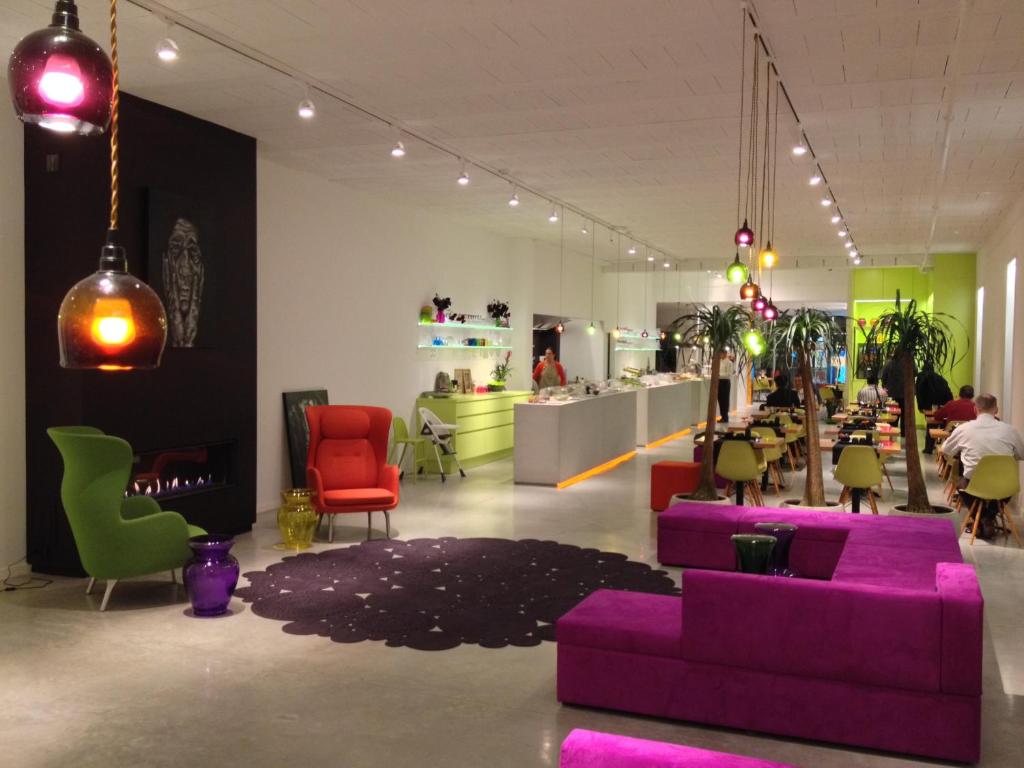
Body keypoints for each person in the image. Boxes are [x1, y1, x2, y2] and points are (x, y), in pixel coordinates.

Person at [941, 394, 1024, 539]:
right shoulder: (1010, 430)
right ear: (996, 410)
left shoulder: (963, 429)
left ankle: (980, 519)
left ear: (975, 409)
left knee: (961, 484)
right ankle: (989, 517)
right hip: (1006, 485)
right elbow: (1021, 454)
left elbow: (946, 450)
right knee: (1008, 488)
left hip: (974, 484)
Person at [881, 355, 912, 435]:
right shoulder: (907, 364)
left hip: (892, 394)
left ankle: (892, 431)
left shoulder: (889, 364)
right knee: (904, 416)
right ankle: (904, 433)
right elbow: (913, 374)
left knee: (892, 415)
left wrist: (885, 387)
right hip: (905, 394)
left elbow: (883, 377)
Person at [716, 350, 734, 422]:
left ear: (725, 353)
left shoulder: (729, 363)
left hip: (725, 382)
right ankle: (722, 416)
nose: (721, 355)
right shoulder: (719, 361)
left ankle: (725, 417)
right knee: (720, 399)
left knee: (725, 400)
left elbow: (728, 375)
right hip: (719, 382)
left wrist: (719, 375)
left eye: (722, 353)